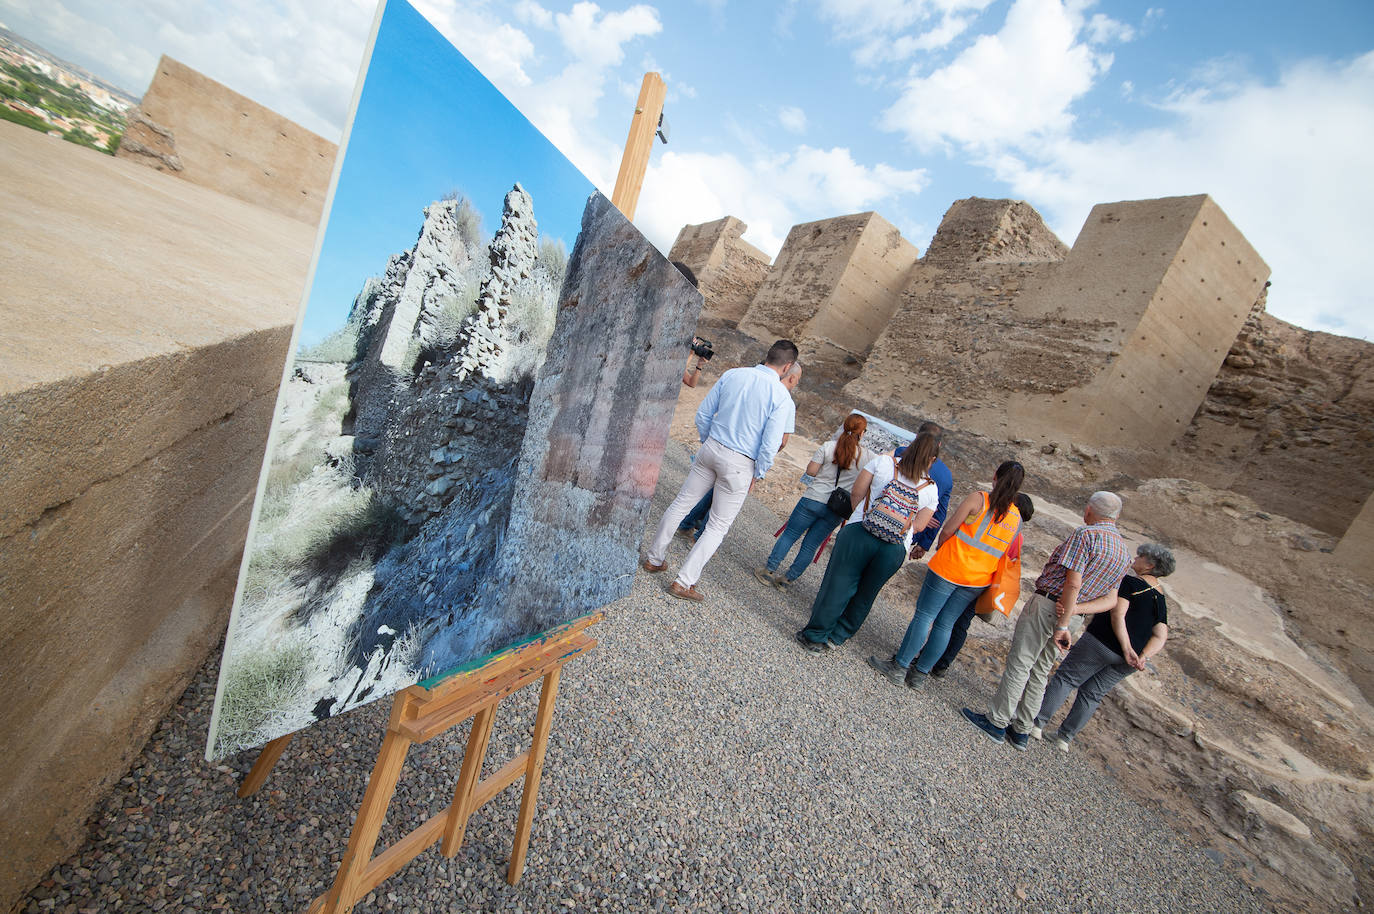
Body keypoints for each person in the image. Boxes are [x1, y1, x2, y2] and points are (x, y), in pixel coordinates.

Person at [961, 491, 1131, 750]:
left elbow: (1073, 582)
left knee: (1021, 662)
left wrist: (1063, 620)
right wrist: (1075, 613)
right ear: (1116, 516)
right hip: (1075, 616)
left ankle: (996, 721)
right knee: (1041, 669)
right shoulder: (1123, 552)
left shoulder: (1086, 535)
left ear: (1089, 510)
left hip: (1051, 605)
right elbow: (1111, 600)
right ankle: (1022, 730)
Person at [642, 340, 800, 601]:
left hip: (713, 446)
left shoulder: (734, 374)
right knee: (717, 526)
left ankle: (654, 558)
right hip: (741, 463)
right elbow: (771, 443)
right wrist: (759, 473)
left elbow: (703, 414)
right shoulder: (781, 397)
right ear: (788, 366)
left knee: (682, 503)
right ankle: (684, 581)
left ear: (767, 356)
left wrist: (708, 442)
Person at [868, 461, 1025, 690]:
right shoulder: (1016, 518)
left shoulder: (979, 499)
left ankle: (899, 666)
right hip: (978, 580)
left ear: (995, 475)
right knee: (946, 625)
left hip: (950, 568)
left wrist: (942, 548)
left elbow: (949, 529)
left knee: (924, 616)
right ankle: (920, 675)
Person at [795, 431, 940, 651]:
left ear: (910, 447)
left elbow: (857, 493)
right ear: (932, 461)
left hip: (860, 531)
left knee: (839, 583)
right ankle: (837, 637)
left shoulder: (883, 463)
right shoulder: (930, 488)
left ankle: (815, 635)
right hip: (894, 547)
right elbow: (919, 526)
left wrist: (863, 516)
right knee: (866, 593)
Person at [1033, 543, 1173, 750]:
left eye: (1141, 556)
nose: (1135, 558)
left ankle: (1037, 723)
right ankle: (1064, 737)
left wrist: (1126, 647)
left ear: (1150, 565)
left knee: (1067, 678)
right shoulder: (1159, 598)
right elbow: (1161, 635)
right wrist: (1141, 656)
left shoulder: (1131, 583)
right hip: (1129, 661)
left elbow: (1118, 614)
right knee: (1093, 693)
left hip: (1103, 642)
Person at [678, 363, 801, 541]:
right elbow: (781, 441)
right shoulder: (785, 401)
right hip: (746, 458)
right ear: (792, 377)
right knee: (723, 506)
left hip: (719, 444)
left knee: (702, 493)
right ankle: (701, 536)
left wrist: (707, 440)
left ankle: (685, 524)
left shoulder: (753, 382)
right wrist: (760, 469)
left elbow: (707, 413)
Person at [756, 412, 874, 589]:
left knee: (790, 535)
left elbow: (811, 471)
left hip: (814, 497)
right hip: (837, 508)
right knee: (810, 545)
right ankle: (787, 580)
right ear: (862, 433)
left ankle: (769, 570)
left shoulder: (828, 447)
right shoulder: (868, 457)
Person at [929, 492, 1035, 678]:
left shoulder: (1006, 525)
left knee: (947, 621)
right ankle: (942, 664)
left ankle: (929, 658)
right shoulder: (1018, 535)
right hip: (985, 581)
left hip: (975, 576)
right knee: (962, 624)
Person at [908, 422, 953, 561]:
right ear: (939, 445)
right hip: (908, 533)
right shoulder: (946, 476)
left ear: (916, 437)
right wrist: (924, 543)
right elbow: (939, 514)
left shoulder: (898, 454)